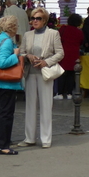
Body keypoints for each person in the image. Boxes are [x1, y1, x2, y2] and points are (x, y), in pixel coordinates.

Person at [18, 8, 64, 148]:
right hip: (30, 73)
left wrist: (46, 62)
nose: (34, 21)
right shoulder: (27, 34)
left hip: (45, 73)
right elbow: (21, 51)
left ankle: (46, 139)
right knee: (30, 106)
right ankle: (29, 138)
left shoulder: (53, 34)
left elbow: (60, 53)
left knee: (46, 106)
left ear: (44, 20)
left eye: (38, 18)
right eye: (32, 18)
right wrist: (28, 56)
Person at [0, 15, 23, 155]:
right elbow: (2, 62)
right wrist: (16, 55)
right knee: (6, 114)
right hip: (6, 83)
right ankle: (2, 145)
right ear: (12, 27)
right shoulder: (7, 41)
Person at [56, 13, 85, 99]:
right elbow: (81, 42)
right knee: (72, 74)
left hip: (63, 53)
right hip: (74, 54)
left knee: (62, 74)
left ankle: (60, 93)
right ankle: (70, 93)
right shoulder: (79, 32)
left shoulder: (63, 29)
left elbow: (57, 39)